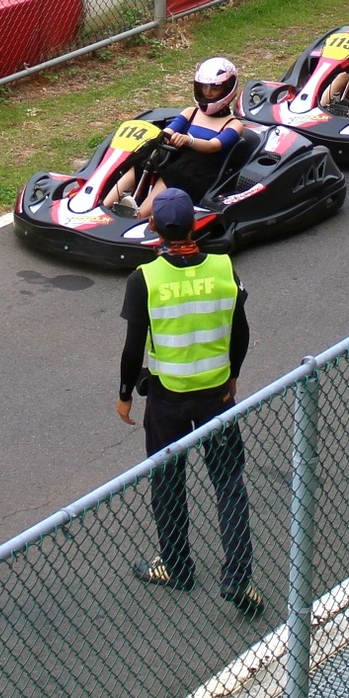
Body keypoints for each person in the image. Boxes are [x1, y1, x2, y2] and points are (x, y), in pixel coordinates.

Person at [117, 188, 262, 617]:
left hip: (166, 401)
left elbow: (132, 349)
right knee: (229, 484)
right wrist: (232, 375)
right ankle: (238, 575)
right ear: (196, 225)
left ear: (154, 228)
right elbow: (241, 331)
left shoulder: (145, 278)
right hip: (217, 396)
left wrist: (125, 394)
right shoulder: (224, 268)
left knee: (167, 482)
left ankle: (178, 567)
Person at [101, 57, 245, 212]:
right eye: (204, 87)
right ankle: (104, 205)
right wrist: (162, 138)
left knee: (177, 171)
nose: (208, 92)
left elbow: (213, 146)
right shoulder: (191, 113)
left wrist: (188, 140)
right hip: (179, 161)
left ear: (228, 89)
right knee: (145, 156)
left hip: (201, 174)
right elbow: (169, 130)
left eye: (214, 88)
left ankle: (139, 214)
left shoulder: (233, 124)